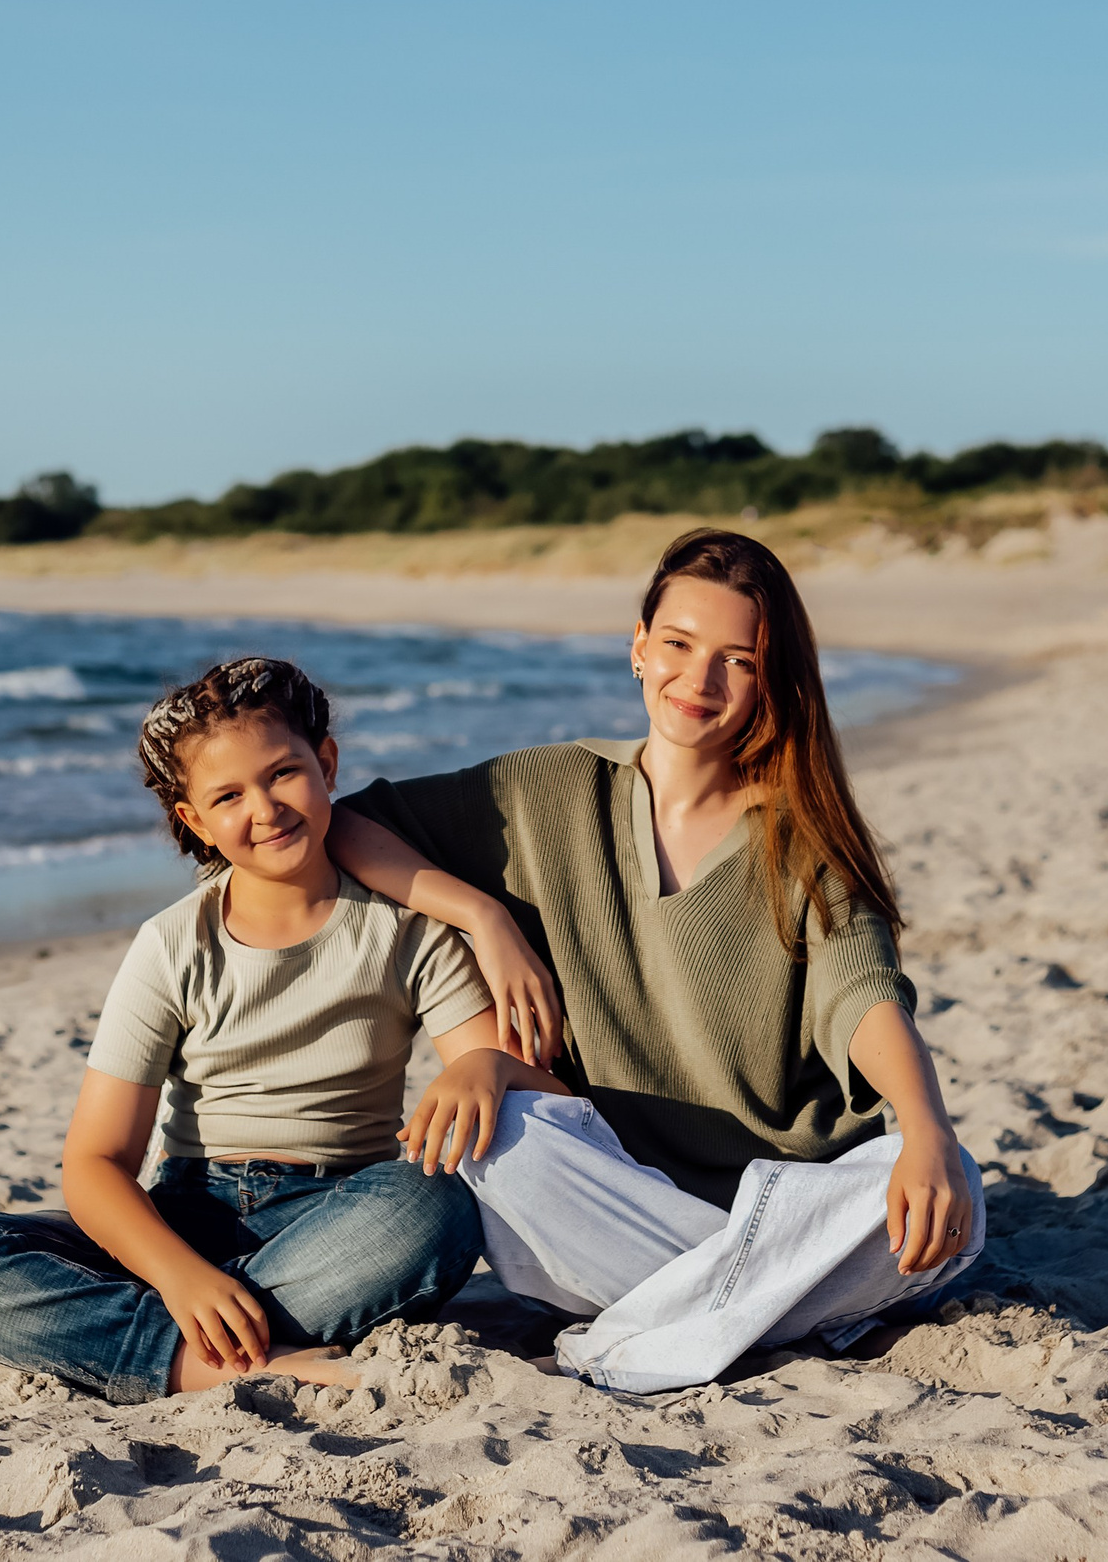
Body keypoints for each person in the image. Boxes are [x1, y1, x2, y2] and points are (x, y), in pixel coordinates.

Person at [329, 527, 986, 1393]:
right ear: (639, 648)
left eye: (736, 660)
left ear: (768, 679)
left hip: (783, 1195)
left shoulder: (800, 841)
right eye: (677, 644)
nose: (699, 680)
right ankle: (767, 1309)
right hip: (616, 1204)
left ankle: (651, 1332)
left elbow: (861, 994)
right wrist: (483, 913)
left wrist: (926, 1125)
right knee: (499, 1140)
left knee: (955, 1189)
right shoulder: (543, 792)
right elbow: (346, 822)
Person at [0, 656, 563, 1404]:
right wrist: (181, 1277)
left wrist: (490, 1066)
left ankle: (175, 1346)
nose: (266, 807)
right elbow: (95, 1161)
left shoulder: (409, 931)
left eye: (283, 773)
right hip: (183, 1213)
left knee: (438, 1201)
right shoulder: (172, 944)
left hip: (341, 1220)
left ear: (327, 763)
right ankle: (211, 1355)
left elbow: (536, 1091)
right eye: (228, 795)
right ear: (196, 820)